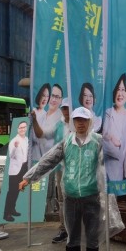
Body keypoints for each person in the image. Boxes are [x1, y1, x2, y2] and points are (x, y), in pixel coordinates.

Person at [20, 107, 105, 251]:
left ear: (90, 122)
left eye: (84, 120)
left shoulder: (98, 142)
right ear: (73, 123)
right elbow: (48, 160)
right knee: (72, 238)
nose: (80, 124)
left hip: (92, 198)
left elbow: (111, 165)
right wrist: (29, 177)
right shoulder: (67, 143)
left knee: (92, 238)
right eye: (77, 120)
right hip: (71, 198)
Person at [102, 73, 126, 181]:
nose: (120, 93)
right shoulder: (107, 113)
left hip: (121, 169)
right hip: (106, 165)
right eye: (118, 89)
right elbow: (104, 140)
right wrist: (111, 138)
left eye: (123, 89)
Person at [51, 97, 72, 243]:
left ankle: (77, 229)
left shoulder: (79, 123)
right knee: (61, 198)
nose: (66, 111)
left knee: (78, 197)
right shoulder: (58, 125)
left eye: (68, 108)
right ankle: (63, 229)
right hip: (61, 167)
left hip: (77, 167)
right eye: (64, 108)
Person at [3, 120, 29, 222]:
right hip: (15, 170)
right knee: (11, 192)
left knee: (18, 190)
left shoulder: (27, 139)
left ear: (26, 128)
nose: (22, 129)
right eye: (20, 128)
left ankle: (12, 209)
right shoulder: (14, 141)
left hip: (24, 167)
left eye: (24, 127)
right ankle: (6, 213)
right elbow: (11, 155)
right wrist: (15, 147)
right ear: (17, 129)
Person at [30, 83, 50, 162]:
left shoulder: (46, 116)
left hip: (39, 156)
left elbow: (40, 137)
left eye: (47, 96)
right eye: (43, 95)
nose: (45, 99)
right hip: (29, 155)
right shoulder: (32, 111)